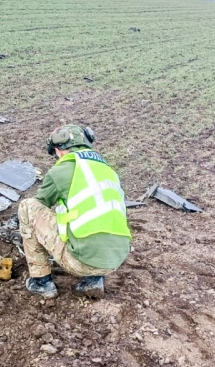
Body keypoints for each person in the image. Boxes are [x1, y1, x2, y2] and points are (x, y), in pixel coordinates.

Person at [18, 125, 132, 299]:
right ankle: (93, 280)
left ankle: (42, 283)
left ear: (60, 150)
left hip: (80, 261)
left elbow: (40, 203)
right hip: (115, 259)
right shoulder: (109, 172)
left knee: (27, 206)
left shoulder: (61, 170)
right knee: (96, 220)